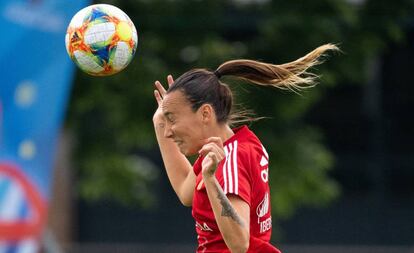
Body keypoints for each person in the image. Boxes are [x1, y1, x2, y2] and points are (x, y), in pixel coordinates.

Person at [152, 44, 339, 253]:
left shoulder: (229, 160)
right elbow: (187, 193)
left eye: (172, 119)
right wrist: (160, 120)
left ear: (205, 113)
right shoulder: (234, 147)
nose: (168, 132)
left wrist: (211, 180)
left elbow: (240, 244)